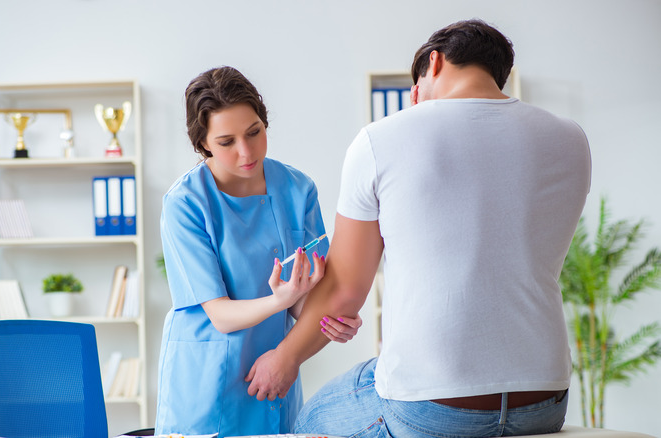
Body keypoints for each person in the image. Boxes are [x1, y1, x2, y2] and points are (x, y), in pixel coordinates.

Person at [245, 19, 592, 437]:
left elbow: (344, 292)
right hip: (545, 397)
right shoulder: (571, 140)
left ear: (435, 61)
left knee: (312, 420)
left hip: (435, 403)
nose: (413, 99)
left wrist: (283, 358)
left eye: (416, 85)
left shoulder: (380, 140)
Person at [154, 66, 361, 437]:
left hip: (274, 371)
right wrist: (284, 300)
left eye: (254, 133)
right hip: (205, 381)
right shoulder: (185, 203)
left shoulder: (298, 190)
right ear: (202, 144)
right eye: (226, 142)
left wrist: (330, 319)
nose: (246, 152)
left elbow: (305, 297)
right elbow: (220, 315)